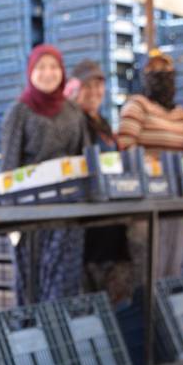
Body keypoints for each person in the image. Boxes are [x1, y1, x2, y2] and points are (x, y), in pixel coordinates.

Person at [1, 45, 89, 304]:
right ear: (31, 72)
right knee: (33, 287)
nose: (48, 73)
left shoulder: (74, 112)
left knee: (64, 287)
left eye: (53, 67)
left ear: (62, 72)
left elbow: (84, 157)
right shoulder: (19, 111)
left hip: (68, 217)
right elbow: (8, 167)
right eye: (41, 67)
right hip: (32, 216)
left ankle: (59, 339)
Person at [118, 50, 183, 286]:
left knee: (173, 262)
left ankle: (165, 317)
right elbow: (125, 145)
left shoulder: (181, 114)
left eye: (166, 71)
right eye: (153, 71)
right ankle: (145, 317)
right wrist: (154, 166)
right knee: (148, 267)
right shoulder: (137, 105)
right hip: (146, 200)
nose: (161, 76)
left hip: (175, 200)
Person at [68, 58, 131, 301]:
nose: (94, 92)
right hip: (89, 228)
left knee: (117, 297)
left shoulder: (103, 123)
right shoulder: (74, 121)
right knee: (92, 300)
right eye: (87, 86)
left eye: (98, 85)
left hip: (114, 221)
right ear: (76, 90)